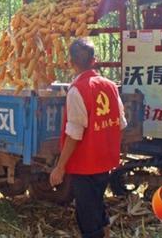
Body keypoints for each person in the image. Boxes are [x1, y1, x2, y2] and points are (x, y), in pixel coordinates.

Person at [50, 38, 127, 238]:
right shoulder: (110, 86)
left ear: (70, 63)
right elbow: (121, 123)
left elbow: (74, 134)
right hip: (105, 161)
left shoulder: (77, 90)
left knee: (87, 217)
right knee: (96, 203)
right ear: (95, 60)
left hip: (85, 166)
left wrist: (60, 167)